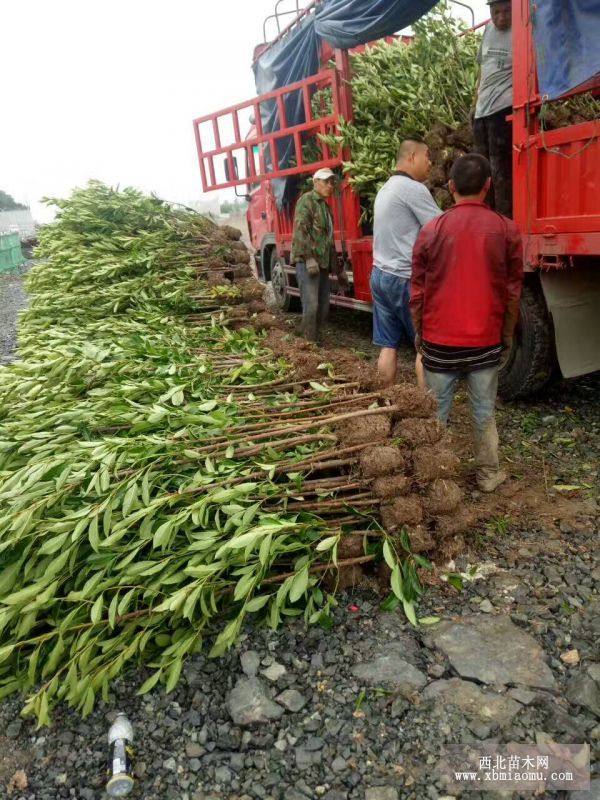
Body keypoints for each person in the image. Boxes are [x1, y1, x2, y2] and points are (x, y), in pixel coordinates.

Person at [410, 153, 523, 492]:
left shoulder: (432, 230)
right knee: (483, 412)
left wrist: (420, 331)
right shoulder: (506, 229)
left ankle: (434, 481)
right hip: (485, 343)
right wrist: (505, 336)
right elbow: (512, 292)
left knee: (437, 412)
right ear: (488, 186)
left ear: (450, 187)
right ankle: (488, 476)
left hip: (439, 343)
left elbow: (417, 290)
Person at [370, 138, 442, 387]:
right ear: (412, 156)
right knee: (425, 347)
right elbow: (440, 229)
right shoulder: (413, 189)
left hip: (380, 275)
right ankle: (428, 412)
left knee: (388, 346)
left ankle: (382, 402)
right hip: (404, 280)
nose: (430, 163)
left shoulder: (386, 188)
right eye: (427, 156)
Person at [291, 167, 346, 342]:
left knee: (323, 308)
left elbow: (329, 242)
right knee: (312, 306)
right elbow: (300, 231)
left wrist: (339, 271)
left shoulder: (326, 208)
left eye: (332, 182)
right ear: (315, 182)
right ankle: (309, 344)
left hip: (321, 264)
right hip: (308, 264)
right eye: (326, 182)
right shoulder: (306, 201)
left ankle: (311, 337)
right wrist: (308, 259)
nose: (330, 185)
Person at [472, 0, 513, 218]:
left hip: (503, 109)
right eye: (495, 12)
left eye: (506, 11)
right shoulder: (488, 28)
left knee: (501, 170)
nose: (501, 17)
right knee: (482, 169)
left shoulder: (523, 31)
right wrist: (475, 102)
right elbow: (483, 68)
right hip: (481, 111)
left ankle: (504, 219)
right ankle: (485, 216)